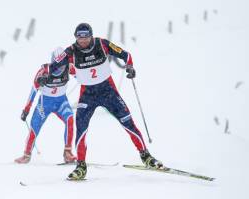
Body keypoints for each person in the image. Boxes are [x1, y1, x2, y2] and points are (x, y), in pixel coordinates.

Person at [64, 23, 163, 180]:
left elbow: (126, 55)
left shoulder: (102, 44)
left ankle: (146, 157)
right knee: (81, 129)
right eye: (79, 37)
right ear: (75, 37)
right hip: (87, 96)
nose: (82, 41)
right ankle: (81, 166)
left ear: (91, 36)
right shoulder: (70, 51)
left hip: (108, 93)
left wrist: (130, 67)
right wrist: (47, 77)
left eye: (86, 37)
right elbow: (56, 66)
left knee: (128, 123)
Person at [15, 47, 77, 164]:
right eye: (57, 64)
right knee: (35, 127)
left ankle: (67, 153)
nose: (60, 67)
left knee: (70, 119)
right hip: (45, 104)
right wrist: (26, 110)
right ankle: (26, 155)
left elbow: (81, 74)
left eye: (63, 63)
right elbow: (33, 91)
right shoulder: (44, 71)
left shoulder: (69, 67)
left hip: (61, 102)